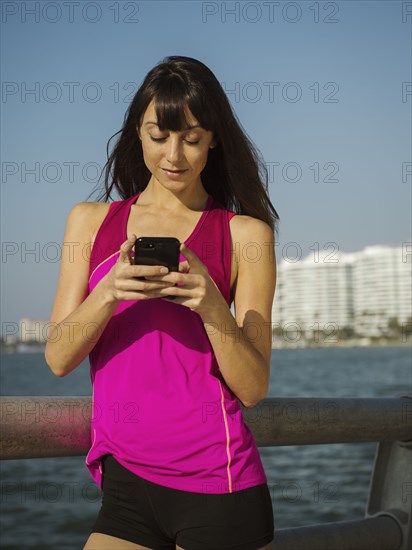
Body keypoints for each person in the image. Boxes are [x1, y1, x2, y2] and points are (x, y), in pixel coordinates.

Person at [45, 56, 279, 550]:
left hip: (220, 485)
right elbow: (58, 357)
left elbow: (254, 386)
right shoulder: (88, 223)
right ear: (138, 131)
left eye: (192, 138)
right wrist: (108, 292)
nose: (174, 155)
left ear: (214, 138)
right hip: (126, 486)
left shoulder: (245, 236)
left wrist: (213, 307)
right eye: (159, 135)